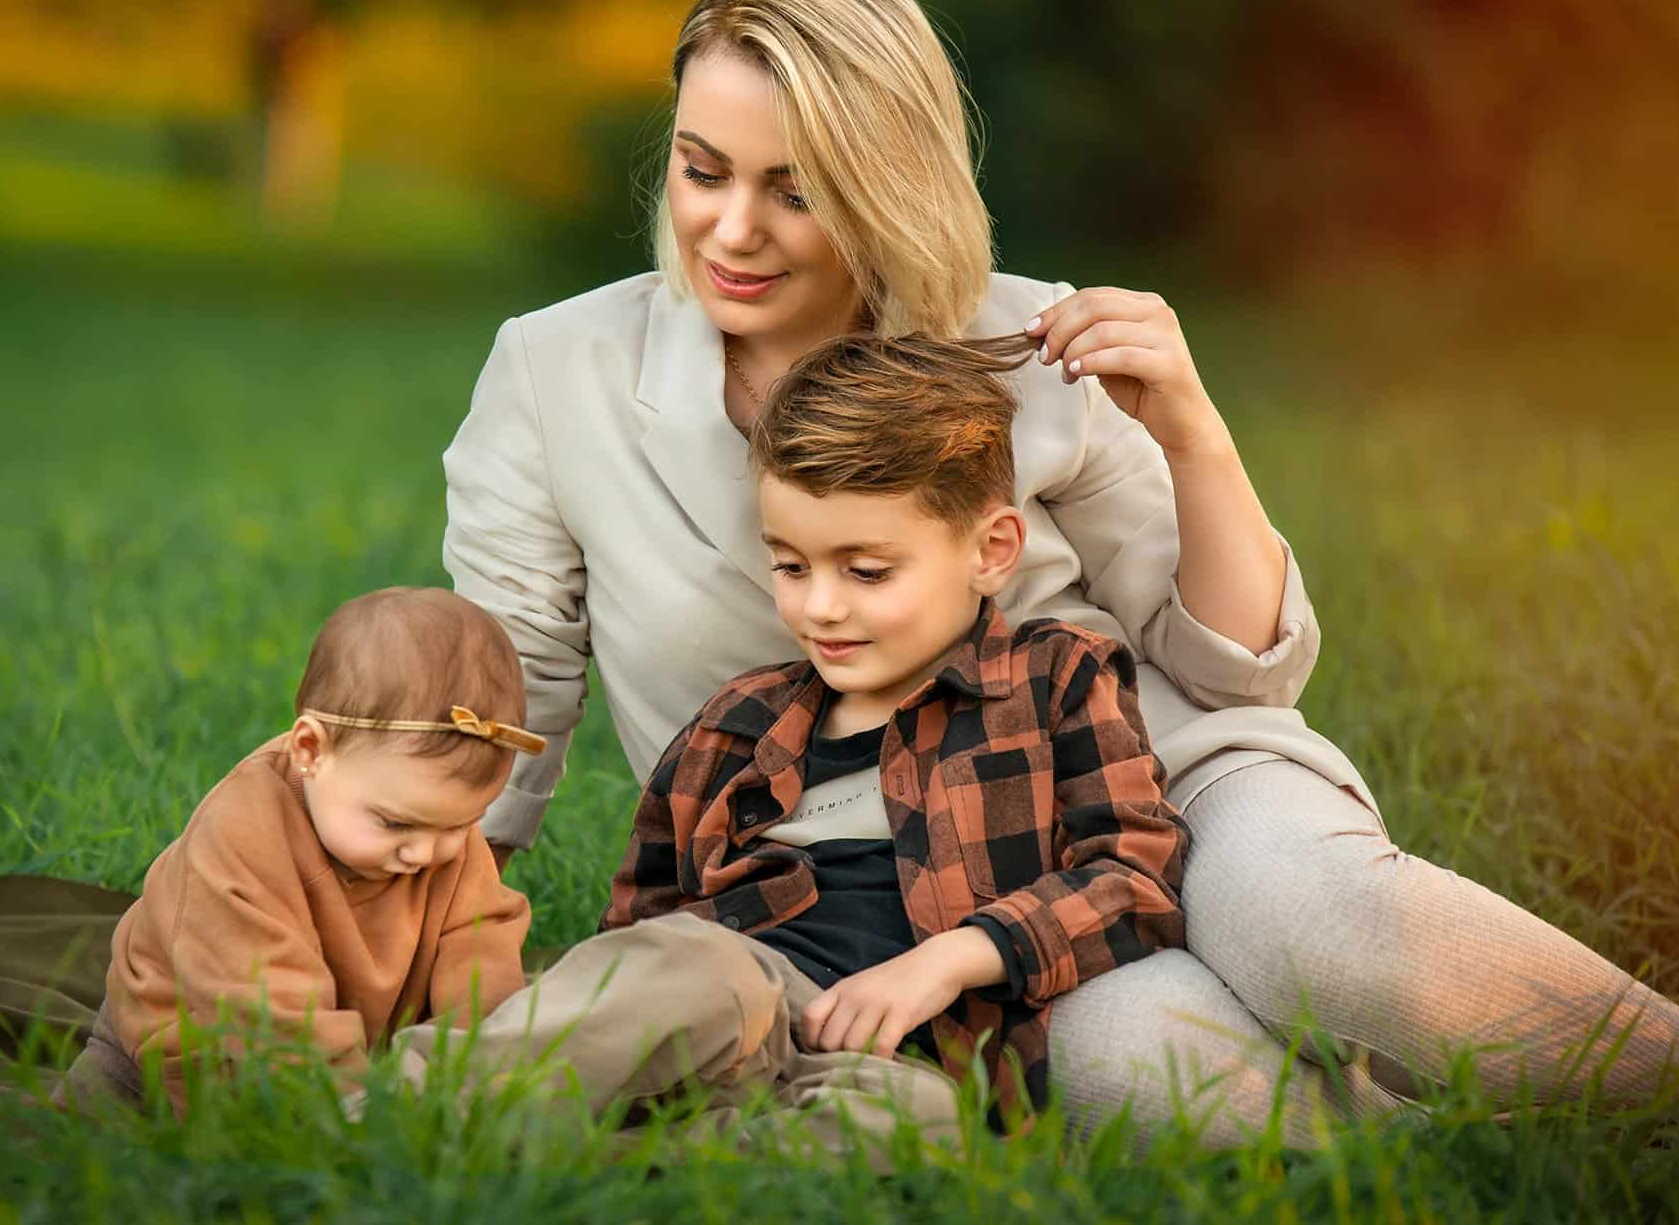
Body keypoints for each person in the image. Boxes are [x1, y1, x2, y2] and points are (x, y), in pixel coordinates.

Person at [441, 0, 1679, 1145]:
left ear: (884, 175)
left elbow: (1240, 669)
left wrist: (1192, 427)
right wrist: (415, 945)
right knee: (1183, 1088)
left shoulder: (1035, 338)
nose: (730, 229)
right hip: (916, 902)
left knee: (1324, 924)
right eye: (700, 168)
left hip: (1170, 775)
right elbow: (506, 720)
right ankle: (1432, 1126)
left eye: (795, 187)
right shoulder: (557, 374)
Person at [389, 334, 1186, 1140]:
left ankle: (626, 1164)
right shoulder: (738, 723)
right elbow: (640, 927)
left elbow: (1137, 877)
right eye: (791, 566)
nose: (821, 608)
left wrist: (951, 958)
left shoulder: (1054, 682)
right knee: (696, 976)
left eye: (865, 571)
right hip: (731, 989)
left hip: (880, 1052)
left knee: (924, 1128)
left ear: (991, 551)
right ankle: (404, 1106)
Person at [55, 586, 534, 1115]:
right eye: (396, 823)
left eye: (463, 822)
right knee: (74, 1140)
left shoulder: (436, 833)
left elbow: (479, 941)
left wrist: (475, 1052)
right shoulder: (240, 841)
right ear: (311, 750)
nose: (426, 852)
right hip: (182, 1052)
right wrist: (349, 1106)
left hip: (358, 1045)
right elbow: (268, 1006)